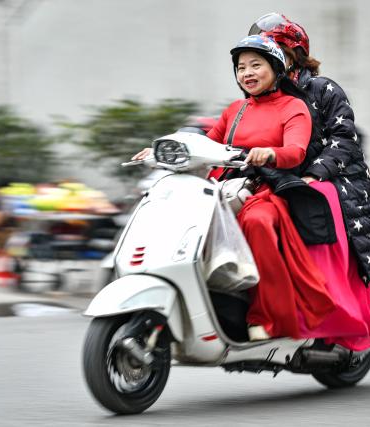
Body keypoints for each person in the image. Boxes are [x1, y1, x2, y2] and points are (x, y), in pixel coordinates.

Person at [133, 35, 336, 341]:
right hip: (223, 190)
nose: (247, 73)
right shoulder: (235, 110)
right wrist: (157, 151)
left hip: (265, 192)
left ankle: (266, 318)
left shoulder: (293, 107)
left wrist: (270, 153)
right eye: (241, 68)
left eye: (256, 65)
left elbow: (295, 150)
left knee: (256, 224)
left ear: (277, 67)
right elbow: (202, 143)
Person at [249, 13, 370, 351]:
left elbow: (344, 139)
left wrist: (314, 173)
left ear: (293, 53)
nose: (258, 63)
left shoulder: (323, 89)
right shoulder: (261, 95)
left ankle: (326, 315)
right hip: (284, 177)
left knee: (312, 202)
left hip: (338, 179)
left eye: (272, 49)